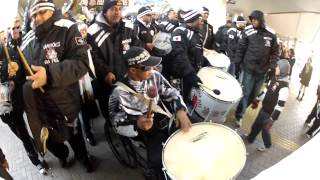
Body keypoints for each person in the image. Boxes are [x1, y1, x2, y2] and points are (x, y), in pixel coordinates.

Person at [20, 0, 93, 172]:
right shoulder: (27, 39)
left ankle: (83, 157)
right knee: (52, 139)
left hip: (66, 102)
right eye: (34, 14)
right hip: (42, 108)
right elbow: (23, 72)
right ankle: (62, 155)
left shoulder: (67, 27)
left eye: (42, 12)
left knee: (75, 135)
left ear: (51, 11)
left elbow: (82, 63)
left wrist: (49, 74)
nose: (38, 18)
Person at [109, 46, 192, 179]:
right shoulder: (118, 92)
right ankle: (153, 171)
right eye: (147, 67)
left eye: (152, 66)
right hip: (141, 129)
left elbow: (172, 92)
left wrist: (180, 110)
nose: (153, 70)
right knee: (159, 159)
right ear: (132, 70)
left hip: (161, 117)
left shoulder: (155, 76)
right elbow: (116, 123)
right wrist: (137, 124)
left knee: (189, 135)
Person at [0, 19, 48, 175]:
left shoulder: (9, 51)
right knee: (23, 135)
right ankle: (36, 161)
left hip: (21, 98)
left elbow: (22, 75)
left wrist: (15, 73)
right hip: (6, 109)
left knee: (35, 125)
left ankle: (40, 149)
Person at [87, 0, 141, 121]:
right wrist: (105, 73)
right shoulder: (93, 31)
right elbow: (93, 58)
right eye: (113, 9)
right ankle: (113, 128)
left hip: (130, 77)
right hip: (108, 82)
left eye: (119, 9)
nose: (117, 12)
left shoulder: (128, 26)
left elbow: (137, 47)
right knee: (112, 111)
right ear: (105, 12)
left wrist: (143, 64)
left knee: (132, 107)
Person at [234, 10, 279, 127]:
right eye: (251, 19)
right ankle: (239, 115)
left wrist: (273, 66)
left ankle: (241, 110)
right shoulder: (247, 31)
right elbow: (240, 49)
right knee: (245, 93)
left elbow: (275, 52)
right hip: (248, 69)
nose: (252, 21)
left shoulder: (271, 34)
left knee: (253, 96)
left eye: (255, 19)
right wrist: (237, 64)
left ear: (261, 19)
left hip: (262, 72)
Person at [246, 59, 290, 151]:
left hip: (270, 114)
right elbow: (266, 90)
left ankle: (267, 145)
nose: (276, 68)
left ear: (282, 69)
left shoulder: (284, 87)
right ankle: (250, 138)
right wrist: (257, 99)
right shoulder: (274, 78)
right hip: (264, 108)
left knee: (265, 131)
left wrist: (272, 119)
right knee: (256, 125)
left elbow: (280, 106)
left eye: (278, 66)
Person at [169, 10, 208, 102]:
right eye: (200, 19)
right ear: (193, 20)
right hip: (183, 74)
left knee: (190, 98)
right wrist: (190, 74)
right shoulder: (180, 31)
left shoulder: (197, 34)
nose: (202, 22)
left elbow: (197, 52)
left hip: (193, 72)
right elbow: (179, 54)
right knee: (181, 98)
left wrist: (206, 63)